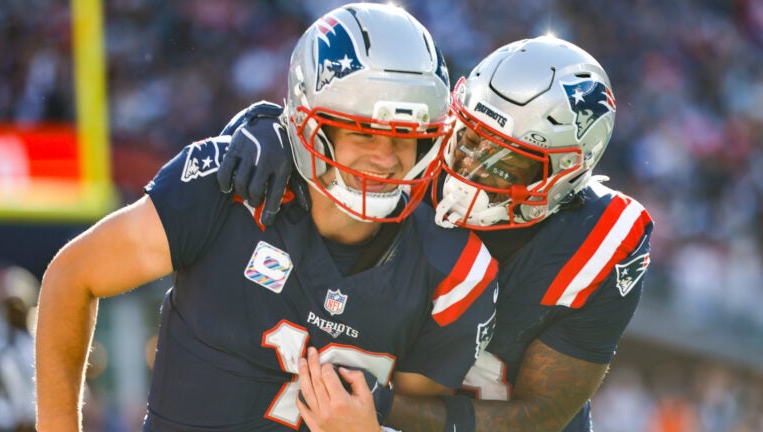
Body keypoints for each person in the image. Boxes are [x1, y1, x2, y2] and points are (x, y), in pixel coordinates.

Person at [34, 4, 499, 431]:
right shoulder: (225, 187)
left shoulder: (454, 264)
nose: (387, 158)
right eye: (363, 131)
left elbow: (420, 416)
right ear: (308, 122)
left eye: (407, 135)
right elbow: (72, 277)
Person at [217, 35, 654, 432]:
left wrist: (380, 408)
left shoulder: (602, 241)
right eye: (468, 138)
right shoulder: (408, 155)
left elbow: (540, 416)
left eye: (507, 164)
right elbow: (323, 131)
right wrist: (270, 126)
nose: (469, 170)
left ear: (567, 173)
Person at [0, 264, 38, 432]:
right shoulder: (0, 346)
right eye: (10, 305)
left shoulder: (39, 342)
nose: (15, 310)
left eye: (19, 304)